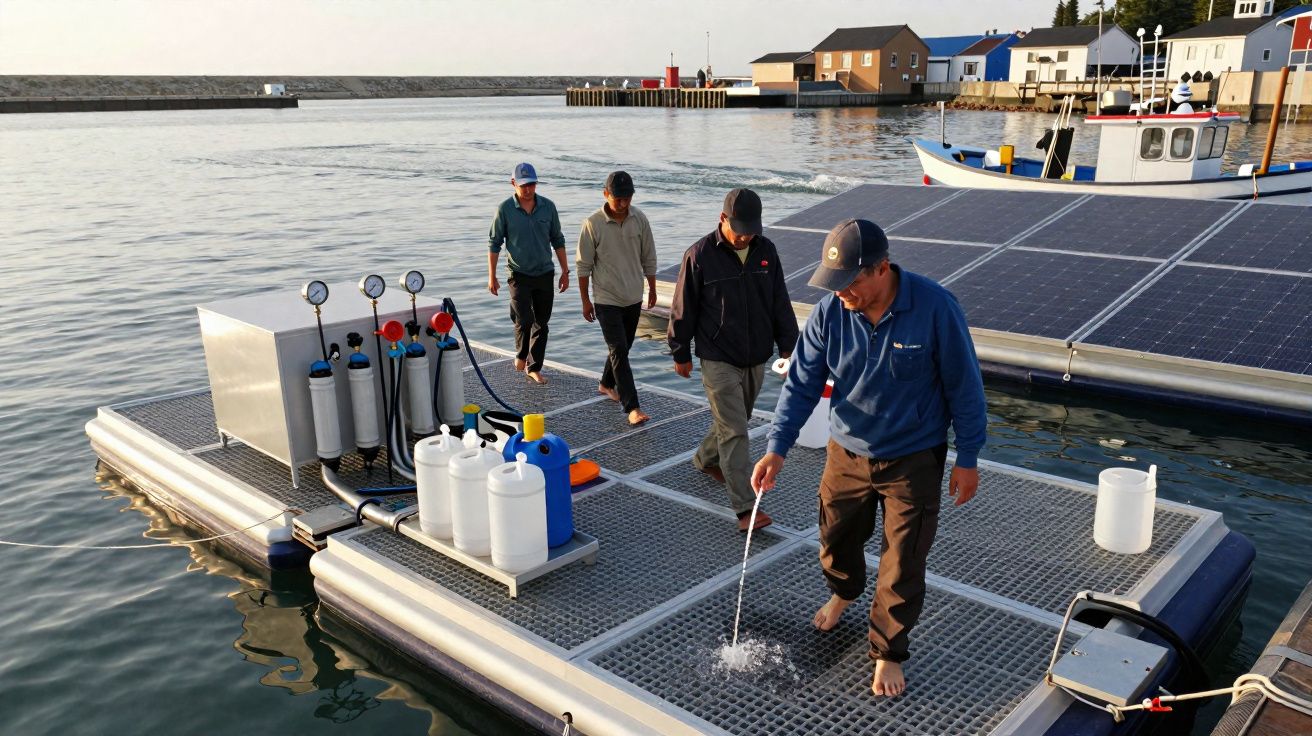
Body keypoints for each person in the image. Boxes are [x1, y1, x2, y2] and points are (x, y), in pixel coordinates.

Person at [751, 218, 986, 699]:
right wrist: (777, 448)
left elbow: (965, 386)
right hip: (847, 451)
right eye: (834, 283)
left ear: (882, 269)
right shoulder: (828, 314)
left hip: (914, 457)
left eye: (852, 281)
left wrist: (969, 456)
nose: (842, 293)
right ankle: (845, 591)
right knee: (835, 536)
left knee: (901, 562)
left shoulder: (936, 308)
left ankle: (888, 650)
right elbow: (800, 386)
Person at [668, 188, 799, 532]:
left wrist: (789, 346)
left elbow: (779, 300)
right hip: (717, 356)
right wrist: (679, 351)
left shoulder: (765, 251)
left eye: (751, 230)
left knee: (733, 421)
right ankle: (746, 508)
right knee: (737, 429)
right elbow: (683, 308)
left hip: (756, 355)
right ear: (723, 219)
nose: (745, 237)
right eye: (740, 229)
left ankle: (705, 458)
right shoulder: (698, 255)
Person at [576, 170, 658, 426]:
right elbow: (583, 266)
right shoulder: (593, 223)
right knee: (619, 350)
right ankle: (632, 406)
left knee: (622, 347)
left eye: (628, 198)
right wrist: (585, 300)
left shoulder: (640, 219)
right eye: (618, 199)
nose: (623, 204)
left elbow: (649, 256)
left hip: (633, 295)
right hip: (606, 298)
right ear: (606, 195)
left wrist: (652, 288)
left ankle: (605, 383)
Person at [488, 162, 570, 384]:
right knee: (524, 319)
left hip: (545, 273)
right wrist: (492, 276)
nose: (528, 189)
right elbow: (494, 243)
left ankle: (534, 367)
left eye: (532, 184)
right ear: (513, 183)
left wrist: (565, 271)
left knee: (541, 323)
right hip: (518, 273)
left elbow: (558, 239)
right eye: (523, 185)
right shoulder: (504, 209)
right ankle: (521, 352)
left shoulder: (548, 207)